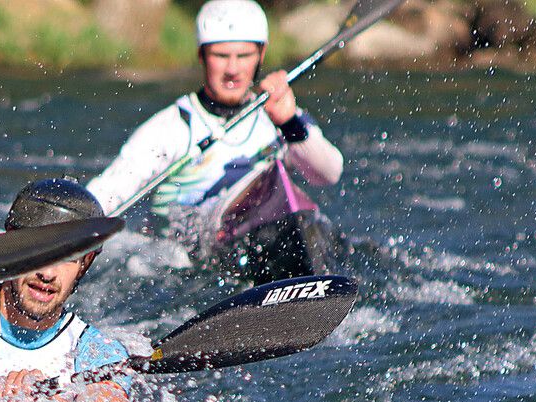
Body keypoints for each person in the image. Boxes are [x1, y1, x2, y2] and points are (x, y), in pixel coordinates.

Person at [86, 0, 343, 239]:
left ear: (261, 55)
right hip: (184, 262)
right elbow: (110, 192)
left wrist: (288, 123)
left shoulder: (281, 117)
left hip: (265, 235)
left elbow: (328, 174)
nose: (232, 69)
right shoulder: (172, 127)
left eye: (243, 56)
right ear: (202, 56)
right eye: (221, 56)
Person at [0, 179, 129, 402]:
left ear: (86, 262)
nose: (49, 274)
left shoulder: (93, 350)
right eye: (40, 251)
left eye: (67, 257)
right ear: (11, 244)